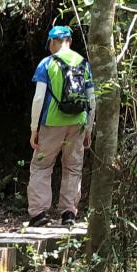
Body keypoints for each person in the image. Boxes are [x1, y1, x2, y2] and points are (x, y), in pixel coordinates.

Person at [28, 24, 93, 227]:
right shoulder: (83, 63)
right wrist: (89, 128)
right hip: (78, 122)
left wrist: (34, 129)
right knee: (73, 167)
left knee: (41, 166)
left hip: (52, 123)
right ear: (69, 41)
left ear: (52, 42)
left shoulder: (47, 64)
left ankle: (38, 214)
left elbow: (39, 98)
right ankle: (69, 213)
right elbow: (92, 99)